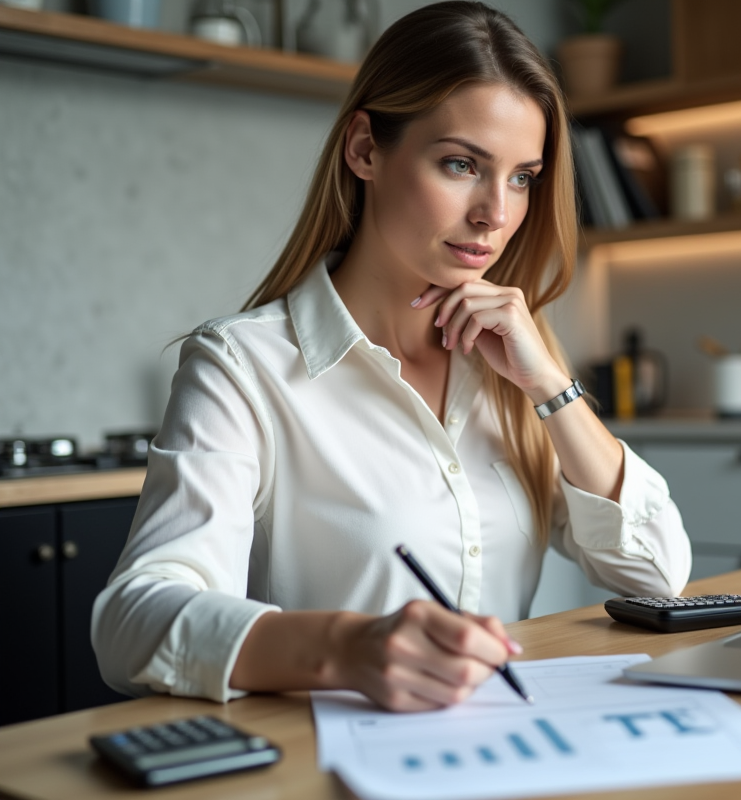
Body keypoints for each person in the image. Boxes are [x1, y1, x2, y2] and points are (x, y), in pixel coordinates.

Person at [92, 1, 691, 713]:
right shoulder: (242, 366)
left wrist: (553, 388)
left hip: (508, 752)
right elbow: (131, 624)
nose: (495, 214)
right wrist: (347, 649)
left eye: (522, 177)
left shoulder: (514, 366)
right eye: (462, 164)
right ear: (365, 150)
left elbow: (658, 575)